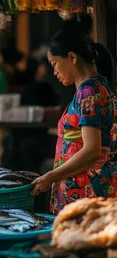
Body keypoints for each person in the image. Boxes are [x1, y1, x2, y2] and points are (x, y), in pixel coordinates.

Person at [31, 28, 117, 215]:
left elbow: (92, 149)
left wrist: (51, 176)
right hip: (89, 187)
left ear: (72, 57)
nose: (54, 72)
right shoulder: (98, 87)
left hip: (86, 190)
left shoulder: (88, 92)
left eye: (54, 64)